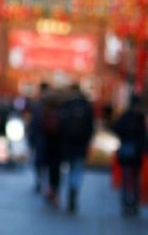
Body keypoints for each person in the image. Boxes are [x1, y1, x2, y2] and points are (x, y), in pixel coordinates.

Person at [59, 83, 94, 212]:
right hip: (81, 145)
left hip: (67, 144)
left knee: (67, 169)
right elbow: (90, 128)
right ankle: (74, 191)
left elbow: (60, 125)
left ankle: (69, 191)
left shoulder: (66, 105)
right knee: (77, 170)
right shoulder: (86, 106)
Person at [113, 94, 148, 216]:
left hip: (126, 150)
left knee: (126, 178)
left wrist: (125, 137)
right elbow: (144, 136)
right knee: (135, 179)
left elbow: (116, 128)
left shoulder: (126, 115)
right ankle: (134, 203)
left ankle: (126, 203)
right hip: (137, 153)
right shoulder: (140, 117)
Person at [27, 82, 50, 193]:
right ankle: (45, 182)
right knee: (46, 161)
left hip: (40, 137)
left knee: (39, 160)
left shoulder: (38, 103)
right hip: (48, 138)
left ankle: (40, 181)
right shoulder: (51, 103)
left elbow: (33, 123)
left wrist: (31, 137)